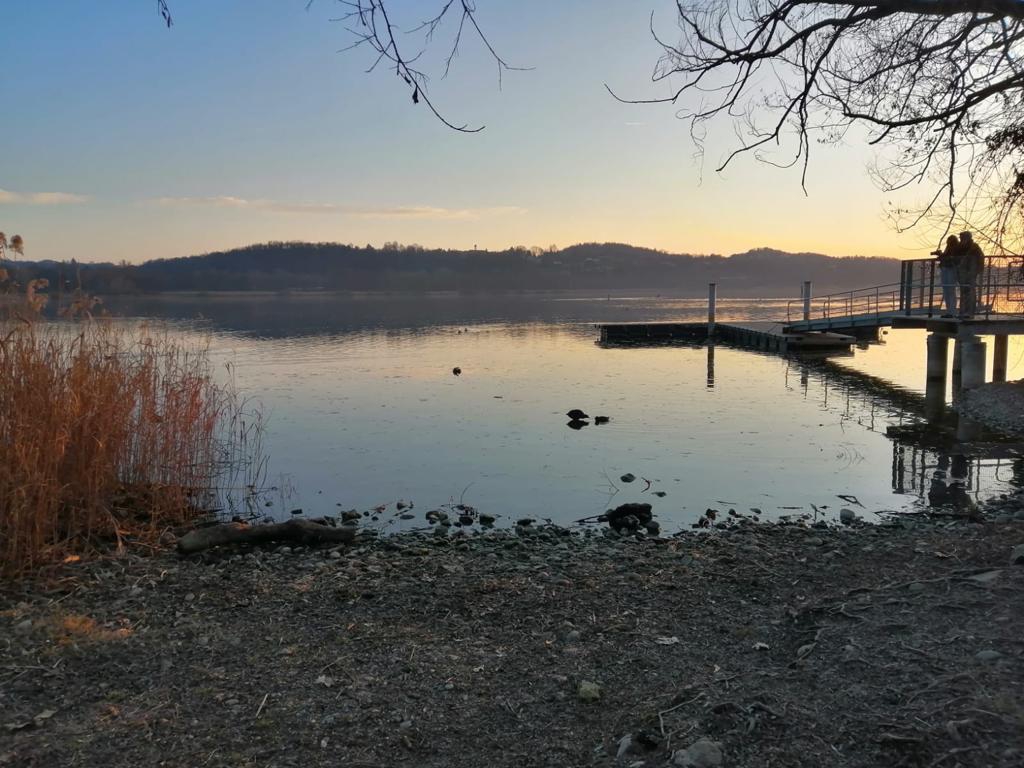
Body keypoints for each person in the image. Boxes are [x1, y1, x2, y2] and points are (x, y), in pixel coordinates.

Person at [957, 231, 985, 317]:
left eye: (962, 237)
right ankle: (963, 311)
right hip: (962, 272)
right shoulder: (960, 247)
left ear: (967, 237)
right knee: (963, 291)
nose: (960, 239)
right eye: (960, 238)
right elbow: (956, 257)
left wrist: (978, 269)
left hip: (971, 272)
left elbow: (981, 257)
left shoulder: (974, 247)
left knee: (970, 292)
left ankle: (970, 312)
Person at [931, 234, 960, 317]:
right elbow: (946, 257)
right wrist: (941, 255)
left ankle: (952, 311)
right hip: (945, 268)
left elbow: (952, 258)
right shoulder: (948, 249)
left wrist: (942, 256)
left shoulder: (956, 249)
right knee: (946, 290)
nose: (949, 243)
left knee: (950, 290)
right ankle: (949, 311)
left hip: (951, 269)